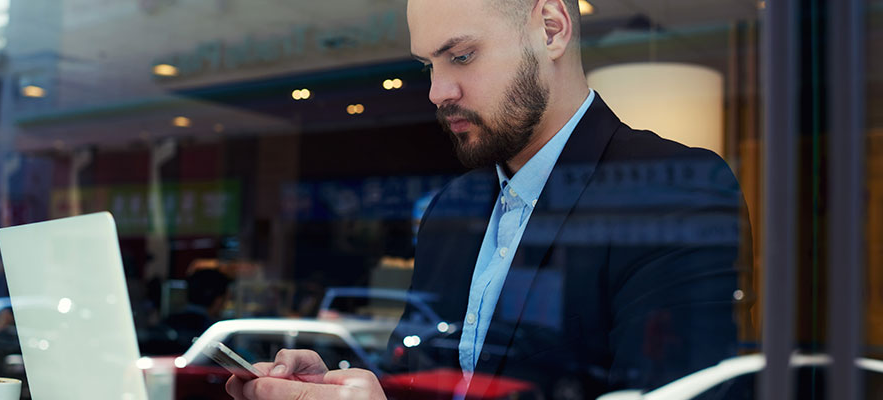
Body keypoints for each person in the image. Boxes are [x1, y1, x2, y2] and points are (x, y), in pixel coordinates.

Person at [227, 0, 750, 398]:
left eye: (461, 56)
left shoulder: (673, 189)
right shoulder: (451, 208)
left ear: (551, 29)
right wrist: (359, 386)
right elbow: (431, 380)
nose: (437, 91)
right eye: (428, 64)